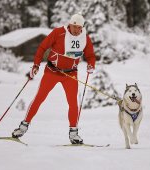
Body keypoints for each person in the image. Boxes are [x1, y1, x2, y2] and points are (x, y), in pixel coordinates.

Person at [12, 14, 96, 144]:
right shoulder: (58, 33)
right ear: (70, 25)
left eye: (79, 27)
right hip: (52, 71)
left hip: (70, 74)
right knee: (39, 98)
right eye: (74, 27)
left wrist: (91, 65)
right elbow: (42, 47)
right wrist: (36, 64)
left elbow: (90, 55)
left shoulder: (84, 38)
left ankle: (74, 134)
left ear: (82, 27)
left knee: (73, 103)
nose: (76, 30)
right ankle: (23, 127)